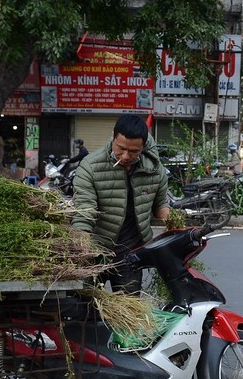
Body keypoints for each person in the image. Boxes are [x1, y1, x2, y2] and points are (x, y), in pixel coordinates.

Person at [71, 114, 170, 293]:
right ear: (113, 136)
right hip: (95, 252)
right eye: (121, 148)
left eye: (133, 151)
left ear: (143, 146)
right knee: (84, 309)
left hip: (130, 254)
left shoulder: (155, 170)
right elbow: (85, 210)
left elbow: (161, 204)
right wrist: (81, 248)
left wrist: (174, 224)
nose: (125, 156)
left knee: (128, 311)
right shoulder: (91, 166)